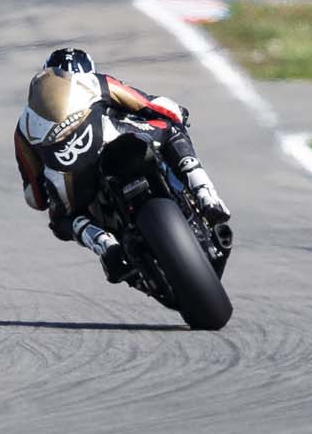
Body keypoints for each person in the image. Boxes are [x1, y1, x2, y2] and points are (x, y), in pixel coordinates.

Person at [13, 47, 230, 283]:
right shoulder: (95, 82)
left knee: (60, 219)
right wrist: (179, 114)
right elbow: (152, 105)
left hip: (72, 180)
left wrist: (51, 181)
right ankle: (205, 194)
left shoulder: (23, 126)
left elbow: (35, 197)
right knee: (172, 129)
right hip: (114, 137)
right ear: (88, 69)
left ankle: (104, 244)